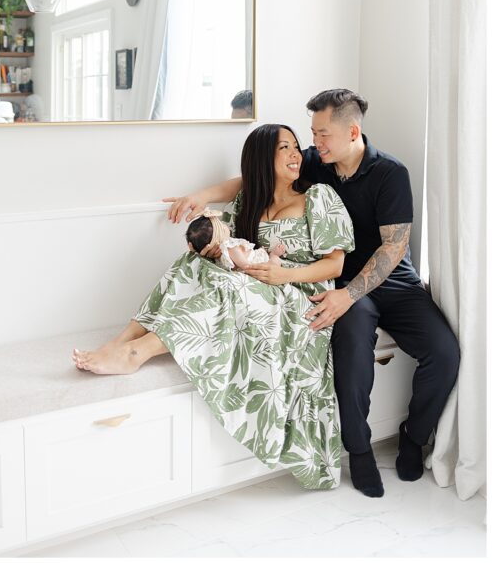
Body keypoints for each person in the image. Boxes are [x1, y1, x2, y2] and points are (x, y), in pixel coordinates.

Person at [163, 89, 461, 498]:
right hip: (335, 283)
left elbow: (392, 249)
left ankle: (413, 436)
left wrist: (350, 294)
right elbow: (257, 179)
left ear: (352, 131)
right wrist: (202, 196)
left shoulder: (391, 173)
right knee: (353, 349)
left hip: (392, 282)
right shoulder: (317, 164)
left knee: (445, 353)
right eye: (312, 134)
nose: (312, 145)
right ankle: (357, 450)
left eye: (322, 135)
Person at [74, 124, 355, 490]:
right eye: (284, 147)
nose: (296, 154)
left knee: (228, 286)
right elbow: (232, 247)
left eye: (297, 147)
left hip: (299, 296)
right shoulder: (249, 202)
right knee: (190, 264)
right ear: (261, 159)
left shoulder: (318, 196)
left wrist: (283, 275)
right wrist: (212, 248)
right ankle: (121, 342)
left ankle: (138, 352)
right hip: (256, 285)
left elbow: (335, 266)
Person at [184, 209, 288, 271]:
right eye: (222, 226)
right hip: (259, 264)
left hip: (254, 258)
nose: (225, 226)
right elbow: (246, 266)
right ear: (219, 239)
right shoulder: (230, 248)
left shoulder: (216, 257)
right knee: (275, 262)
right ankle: (273, 256)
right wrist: (268, 264)